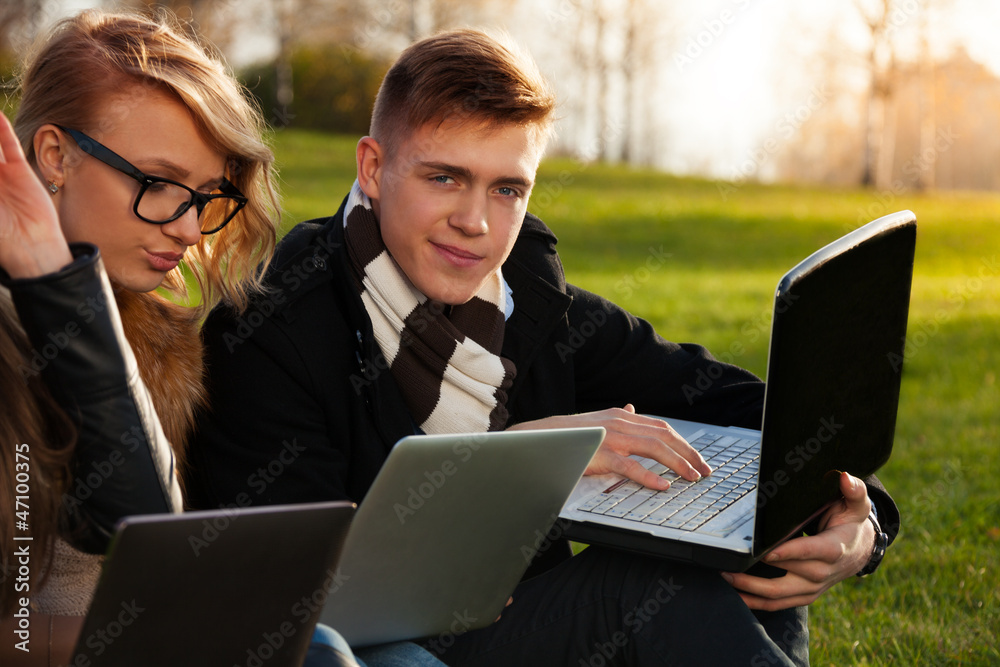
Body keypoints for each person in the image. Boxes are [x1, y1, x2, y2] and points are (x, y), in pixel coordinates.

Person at [187, 28, 900, 666]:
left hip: (522, 621)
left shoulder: (524, 294)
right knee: (642, 586)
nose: (475, 222)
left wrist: (860, 518)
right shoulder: (269, 328)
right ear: (373, 168)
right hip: (389, 645)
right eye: (445, 177)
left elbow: (743, 404)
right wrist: (527, 466)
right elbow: (295, 601)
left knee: (746, 546)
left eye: (507, 189)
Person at [0, 10, 440, 667]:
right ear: (55, 155)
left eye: (206, 195)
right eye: (158, 185)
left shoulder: (150, 333)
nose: (189, 229)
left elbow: (142, 531)